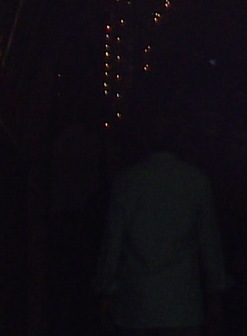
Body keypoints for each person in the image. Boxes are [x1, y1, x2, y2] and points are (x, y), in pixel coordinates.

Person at [96, 114, 230, 336]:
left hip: (136, 302)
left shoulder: (126, 182)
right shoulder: (196, 181)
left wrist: (104, 289)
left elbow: (113, 243)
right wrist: (216, 290)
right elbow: (209, 242)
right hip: (182, 303)